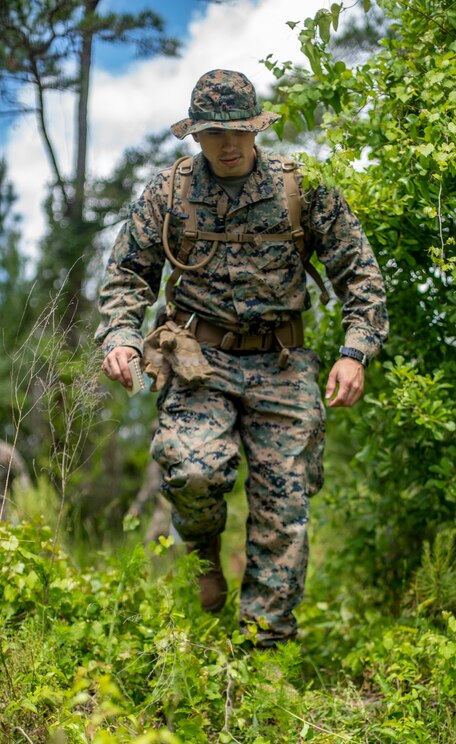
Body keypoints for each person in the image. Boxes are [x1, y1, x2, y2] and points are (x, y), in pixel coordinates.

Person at [96, 69, 388, 647]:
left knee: (285, 509)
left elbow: (362, 277)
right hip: (197, 359)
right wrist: (122, 337)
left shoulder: (303, 189)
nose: (228, 145)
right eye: (214, 133)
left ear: (257, 129)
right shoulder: (169, 192)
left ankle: (264, 653)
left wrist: (355, 352)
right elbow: (128, 273)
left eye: (238, 131)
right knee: (193, 469)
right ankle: (203, 552)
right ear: (196, 135)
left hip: (282, 363)